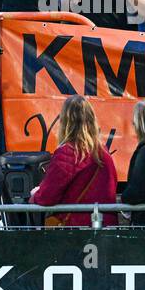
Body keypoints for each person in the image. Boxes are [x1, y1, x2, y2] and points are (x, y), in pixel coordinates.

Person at [31, 95, 119, 227]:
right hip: (105, 226)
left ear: (65, 122)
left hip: (75, 230)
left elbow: (47, 197)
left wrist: (35, 195)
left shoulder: (67, 153)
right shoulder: (103, 152)